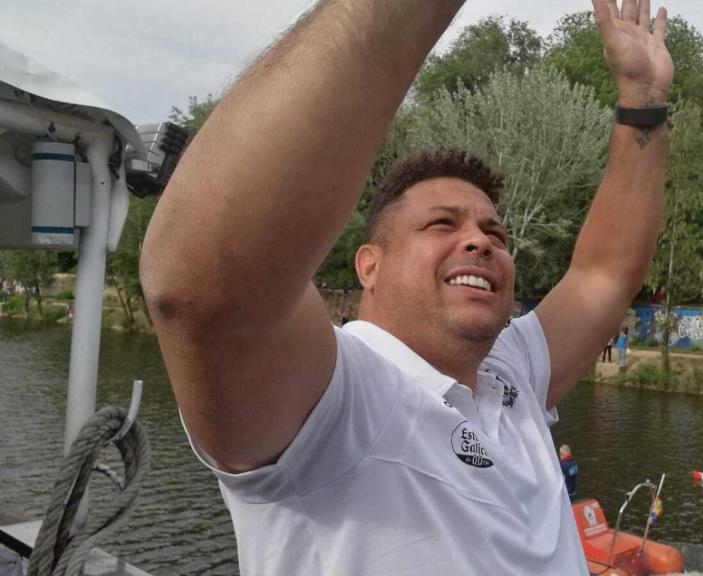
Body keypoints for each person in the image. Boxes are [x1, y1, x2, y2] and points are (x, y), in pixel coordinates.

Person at [139, 1, 674, 573]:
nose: (481, 241)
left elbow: (606, 271)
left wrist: (641, 103)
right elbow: (202, 289)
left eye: (494, 230)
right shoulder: (337, 394)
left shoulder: (511, 368)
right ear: (368, 266)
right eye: (442, 224)